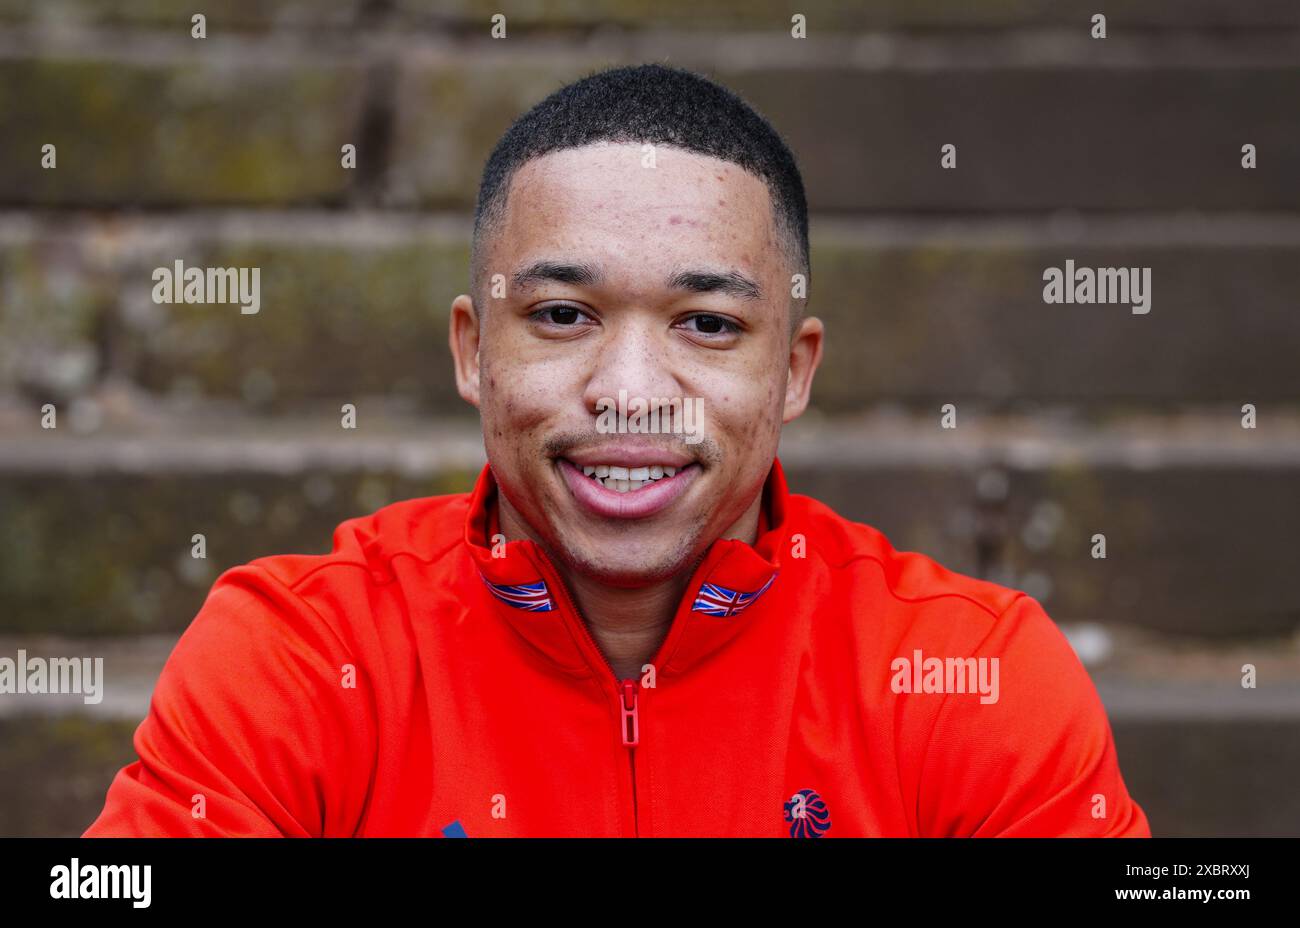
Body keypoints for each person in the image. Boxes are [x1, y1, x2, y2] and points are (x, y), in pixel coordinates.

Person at [84, 63, 1148, 837]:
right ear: (472, 349)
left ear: (792, 369)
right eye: (560, 315)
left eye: (708, 324)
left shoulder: (971, 679)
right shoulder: (302, 659)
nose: (631, 396)